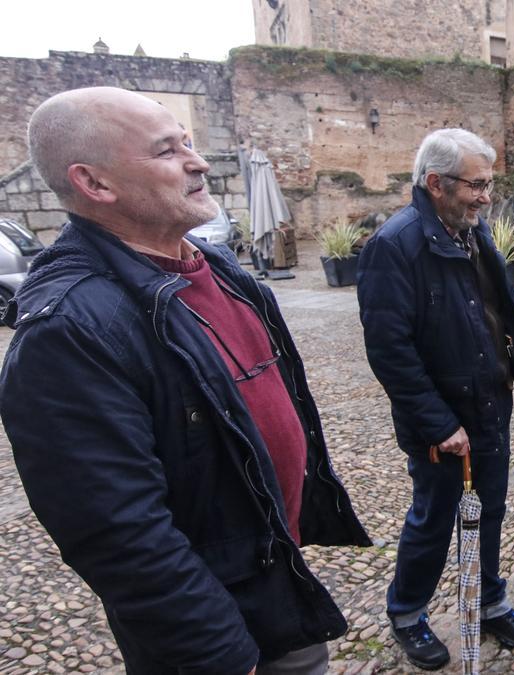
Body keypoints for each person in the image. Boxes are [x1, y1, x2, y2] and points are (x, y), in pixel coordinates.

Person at [0, 87, 370, 674]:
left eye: (189, 143)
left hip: (273, 570)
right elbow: (118, 533)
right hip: (214, 623)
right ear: (95, 184)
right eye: (167, 150)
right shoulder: (69, 330)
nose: (197, 162)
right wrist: (215, 653)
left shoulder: (213, 264)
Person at [357, 128, 514, 670]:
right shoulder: (394, 247)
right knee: (434, 517)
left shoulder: (470, 227)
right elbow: (390, 351)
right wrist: (438, 423)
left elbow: (496, 308)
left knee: (488, 512)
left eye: (489, 184)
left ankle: (488, 601)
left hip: (489, 404)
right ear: (436, 183)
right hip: (443, 424)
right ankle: (406, 613)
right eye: (477, 185)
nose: (486, 196)